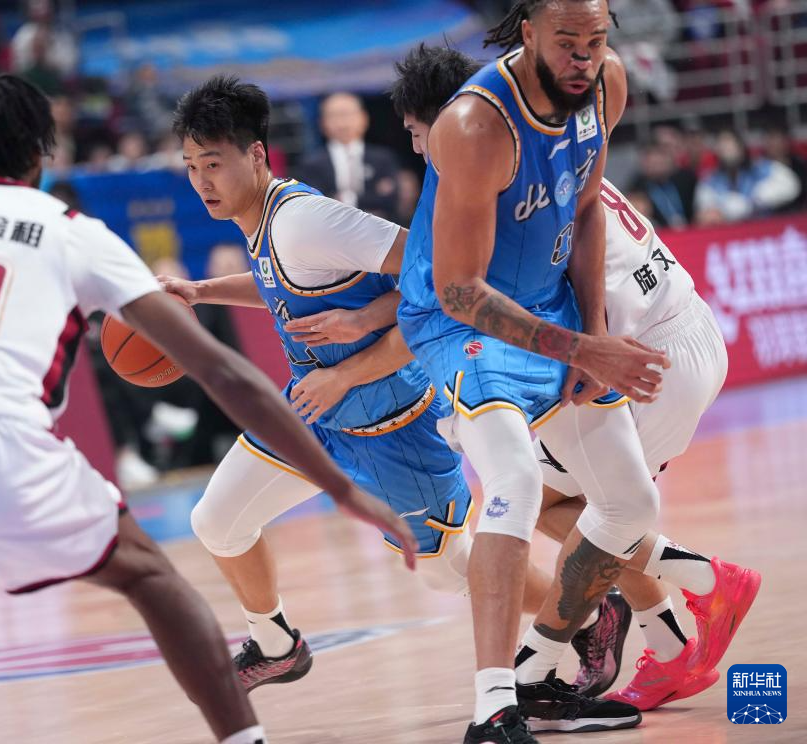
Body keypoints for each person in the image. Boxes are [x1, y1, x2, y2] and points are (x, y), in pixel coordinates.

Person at [0, 73, 419, 744]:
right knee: (152, 578)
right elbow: (220, 371)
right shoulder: (66, 230)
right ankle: (244, 736)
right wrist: (339, 488)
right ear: (38, 157)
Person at [387, 42, 760, 711]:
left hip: (645, 355)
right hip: (671, 328)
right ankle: (671, 637)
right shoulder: (543, 150)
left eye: (419, 133)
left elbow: (460, 302)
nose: (419, 149)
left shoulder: (500, 183)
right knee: (571, 505)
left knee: (575, 508)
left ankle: (692, 594)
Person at [397, 2, 667, 739]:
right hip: (460, 323)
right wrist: (582, 349)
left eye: (596, 41)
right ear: (528, 33)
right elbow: (459, 290)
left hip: (551, 309)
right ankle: (492, 708)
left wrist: (595, 330)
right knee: (515, 481)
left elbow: (587, 208)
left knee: (630, 504)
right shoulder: (475, 125)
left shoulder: (606, 85)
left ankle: (538, 670)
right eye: (566, 42)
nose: (583, 57)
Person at [163, 75, 479, 692]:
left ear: (257, 154)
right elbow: (281, 283)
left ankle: (578, 618)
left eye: (214, 164)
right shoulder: (259, 222)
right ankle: (276, 644)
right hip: (318, 411)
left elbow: (442, 271)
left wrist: (358, 340)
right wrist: (200, 291)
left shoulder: (302, 221)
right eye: (191, 166)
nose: (202, 181)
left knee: (451, 572)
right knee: (218, 520)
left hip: (392, 422)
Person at [295, 92, 400, 220]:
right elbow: (314, 204)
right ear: (322, 123)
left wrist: (347, 199)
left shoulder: (383, 158)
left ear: (363, 118)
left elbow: (390, 200)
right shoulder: (311, 164)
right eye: (334, 116)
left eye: (347, 114)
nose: (342, 122)